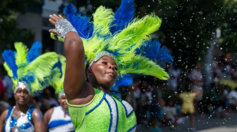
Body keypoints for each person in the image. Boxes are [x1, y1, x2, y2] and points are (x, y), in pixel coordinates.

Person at [48, 0, 171, 131]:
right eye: (104, 63)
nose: (112, 67)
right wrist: (66, 30)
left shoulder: (125, 108)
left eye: (115, 67)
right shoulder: (82, 94)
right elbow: (75, 44)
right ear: (88, 71)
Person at [0, 41, 59, 132]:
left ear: (30, 95)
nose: (22, 95)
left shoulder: (35, 114)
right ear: (14, 93)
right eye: (19, 91)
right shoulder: (5, 114)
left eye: (25, 92)